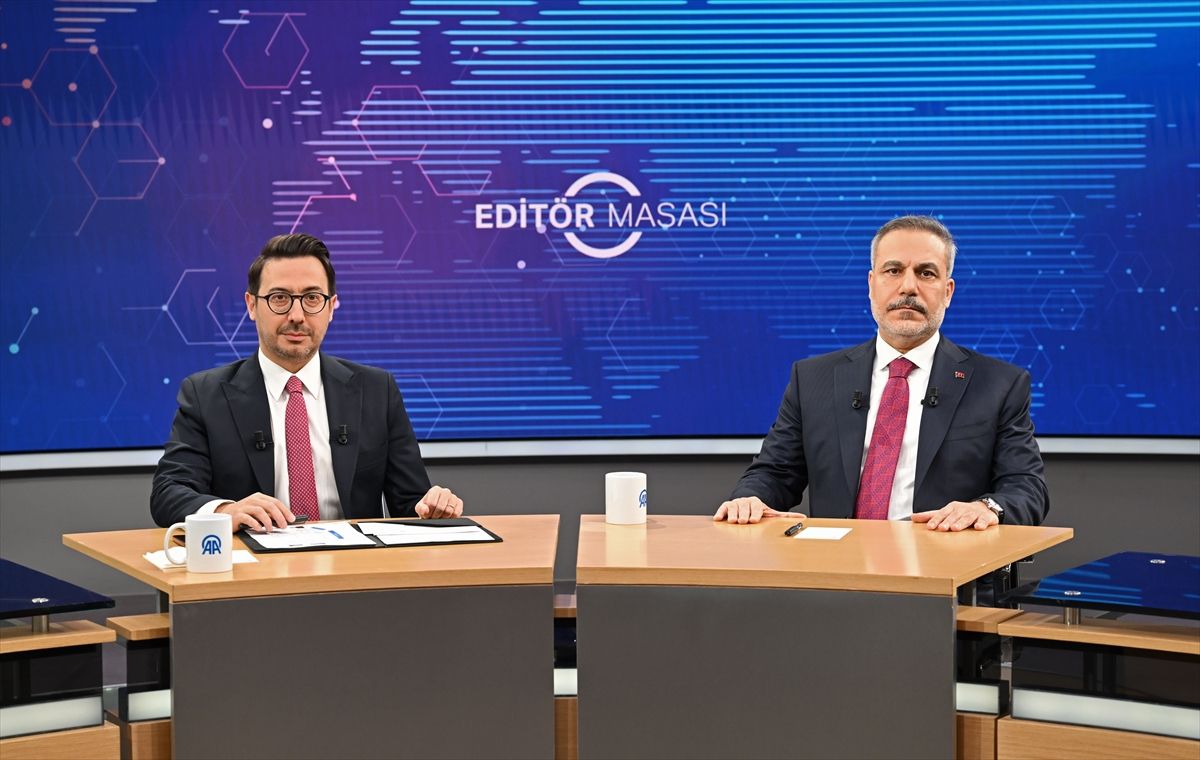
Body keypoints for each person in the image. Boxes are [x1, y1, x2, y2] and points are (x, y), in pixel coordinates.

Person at [715, 215, 1048, 530]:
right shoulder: (813, 378)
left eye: (926, 273)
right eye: (893, 270)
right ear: (871, 284)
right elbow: (774, 473)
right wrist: (750, 499)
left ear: (947, 292)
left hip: (946, 560)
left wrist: (986, 508)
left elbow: (1027, 487)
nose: (908, 287)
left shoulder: (999, 384)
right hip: (838, 564)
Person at [151, 233, 464, 531]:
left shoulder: (376, 390)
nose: (297, 315)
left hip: (353, 563)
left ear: (331, 306)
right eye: (280, 298)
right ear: (251, 305)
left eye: (312, 298)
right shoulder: (205, 395)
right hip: (253, 562)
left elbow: (410, 503)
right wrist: (223, 511)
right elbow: (169, 492)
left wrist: (432, 507)